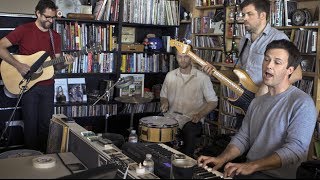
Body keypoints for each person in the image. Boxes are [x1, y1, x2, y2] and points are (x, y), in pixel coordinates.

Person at [197, 39, 317, 179]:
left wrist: (252, 166)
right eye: (266, 59)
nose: (268, 66)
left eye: (277, 62)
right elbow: (243, 138)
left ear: (289, 70)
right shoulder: (256, 102)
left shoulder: (302, 103)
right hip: (249, 172)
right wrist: (221, 159)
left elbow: (296, 150)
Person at [0, 0, 74, 152]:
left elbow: (57, 65)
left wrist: (66, 62)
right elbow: (1, 46)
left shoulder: (55, 36)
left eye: (53, 17)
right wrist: (19, 65)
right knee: (30, 125)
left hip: (48, 86)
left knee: (45, 125)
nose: (50, 21)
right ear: (37, 13)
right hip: (28, 85)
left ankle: (42, 156)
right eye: (47, 17)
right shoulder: (24, 30)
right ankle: (30, 157)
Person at [203, 0, 302, 96]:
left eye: (249, 14)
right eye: (243, 14)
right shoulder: (243, 40)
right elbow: (239, 74)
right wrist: (215, 72)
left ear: (262, 15)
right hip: (244, 99)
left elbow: (297, 73)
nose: (244, 18)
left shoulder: (278, 38)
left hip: (267, 100)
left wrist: (265, 87)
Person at [160, 48, 218, 157]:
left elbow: (213, 102)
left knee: (190, 133)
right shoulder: (170, 75)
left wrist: (200, 115)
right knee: (158, 136)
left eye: (186, 56)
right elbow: (163, 96)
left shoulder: (203, 78)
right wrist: (165, 102)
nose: (182, 60)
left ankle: (187, 163)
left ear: (192, 57)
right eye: (179, 57)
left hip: (191, 119)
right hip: (171, 117)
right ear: (176, 58)